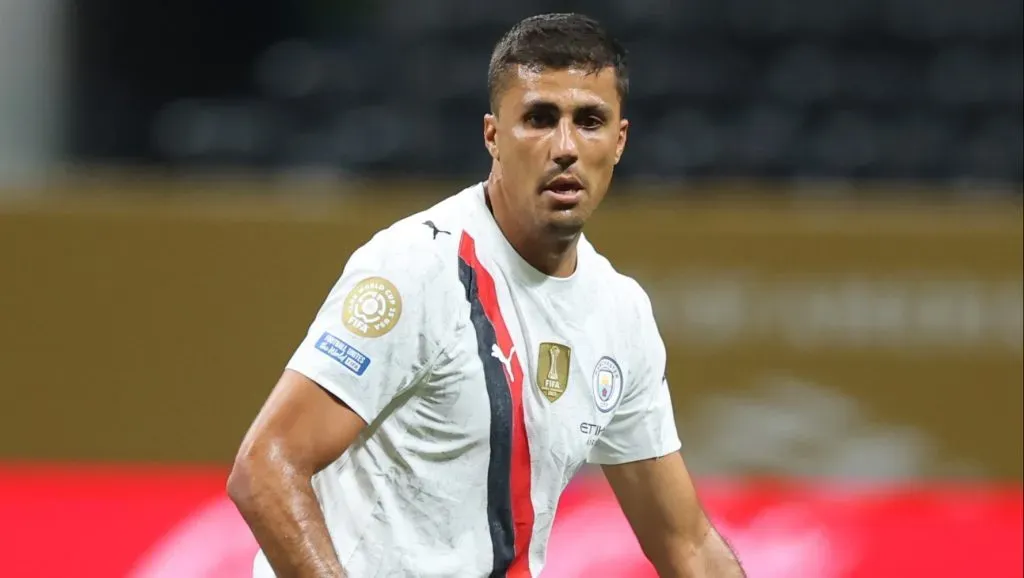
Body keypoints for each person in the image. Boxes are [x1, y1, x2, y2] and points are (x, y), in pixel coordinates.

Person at [228, 12, 745, 578]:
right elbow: (267, 469)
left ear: (619, 141)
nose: (566, 146)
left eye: (589, 121)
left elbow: (686, 544)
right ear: (493, 136)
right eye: (539, 119)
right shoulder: (417, 268)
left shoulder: (619, 313)